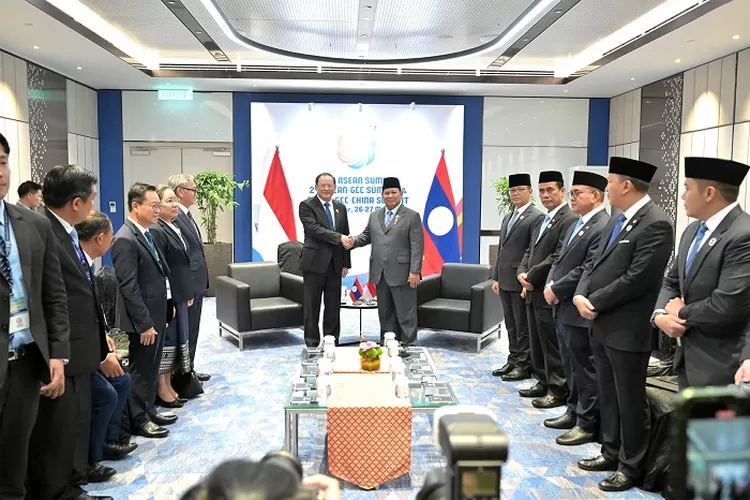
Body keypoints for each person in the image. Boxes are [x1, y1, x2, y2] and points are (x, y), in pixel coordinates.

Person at [573, 157, 674, 492]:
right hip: (601, 324)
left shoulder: (656, 223)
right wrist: (581, 293)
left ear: (626, 185)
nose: (607, 189)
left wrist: (594, 301)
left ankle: (630, 467)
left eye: (611, 182)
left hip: (628, 329)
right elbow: (593, 263)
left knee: (630, 400)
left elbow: (638, 279)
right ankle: (611, 451)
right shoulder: (618, 218)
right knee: (608, 394)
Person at [27, 165, 113, 500]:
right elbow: (47, 299)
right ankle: (59, 491)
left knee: (75, 423)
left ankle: (74, 481)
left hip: (82, 347)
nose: (93, 205)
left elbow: (83, 290)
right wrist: (56, 352)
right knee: (57, 431)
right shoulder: (42, 231)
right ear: (76, 203)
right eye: (91, 198)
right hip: (62, 350)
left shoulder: (68, 231)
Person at [0, 133, 70, 499]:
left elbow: (53, 294)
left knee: (14, 468)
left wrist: (57, 352)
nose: (0, 172)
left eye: (2, 162)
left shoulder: (34, 225)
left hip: (25, 364)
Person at [654, 157, 750, 389]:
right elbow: (671, 281)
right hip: (687, 360)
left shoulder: (742, 234)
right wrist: (660, 314)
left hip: (721, 365)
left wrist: (681, 312)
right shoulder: (692, 231)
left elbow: (726, 305)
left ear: (709, 193)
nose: (683, 196)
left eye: (687, 188)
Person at [543, 171, 609, 446]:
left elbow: (587, 268)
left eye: (577, 193)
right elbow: (559, 259)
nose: (571, 197)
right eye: (570, 192)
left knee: (584, 368)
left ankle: (586, 423)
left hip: (577, 308)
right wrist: (550, 283)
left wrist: (557, 289)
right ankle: (573, 410)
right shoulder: (578, 223)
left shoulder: (602, 225)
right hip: (563, 307)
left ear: (596, 195)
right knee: (570, 365)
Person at [112, 182, 176, 439]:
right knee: (140, 370)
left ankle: (149, 409)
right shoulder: (125, 239)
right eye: (154, 205)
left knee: (151, 367)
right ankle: (139, 419)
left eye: (159, 205)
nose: (158, 210)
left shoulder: (146, 233)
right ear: (135, 206)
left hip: (155, 314)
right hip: (141, 321)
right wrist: (144, 323)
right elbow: (129, 287)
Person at [76, 211, 137, 473]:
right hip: (77, 354)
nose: (112, 241)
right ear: (100, 238)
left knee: (122, 381)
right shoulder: (76, 264)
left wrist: (104, 338)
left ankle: (108, 441)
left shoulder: (88, 263)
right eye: (110, 236)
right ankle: (91, 458)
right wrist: (101, 357)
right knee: (107, 394)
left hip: (93, 343)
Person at [517, 171, 577, 408]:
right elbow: (530, 250)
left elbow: (557, 255)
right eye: (541, 190)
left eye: (550, 190)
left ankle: (557, 389)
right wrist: (522, 272)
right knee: (537, 341)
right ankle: (542, 380)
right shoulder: (543, 219)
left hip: (547, 290)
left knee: (552, 344)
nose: (545, 195)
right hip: (531, 289)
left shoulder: (568, 218)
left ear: (562, 191)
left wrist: (531, 276)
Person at [349, 177, 424, 345]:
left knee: (406, 314)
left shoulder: (411, 216)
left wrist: (415, 271)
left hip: (403, 274)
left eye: (393, 192)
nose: (390, 196)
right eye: (387, 193)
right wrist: (352, 241)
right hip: (380, 273)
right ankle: (388, 344)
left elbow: (417, 246)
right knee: (385, 314)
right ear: (382, 195)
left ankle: (409, 345)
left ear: (401, 194)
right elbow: (366, 236)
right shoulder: (375, 215)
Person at [490, 173, 543, 381]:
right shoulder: (508, 216)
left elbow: (534, 251)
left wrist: (527, 279)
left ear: (530, 191)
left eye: (520, 189)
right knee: (510, 325)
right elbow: (502, 250)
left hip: (520, 279)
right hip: (504, 279)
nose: (516, 194)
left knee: (522, 327)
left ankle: (524, 364)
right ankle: (512, 359)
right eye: (512, 190)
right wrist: (496, 277)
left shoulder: (536, 217)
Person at [150, 185, 194, 407]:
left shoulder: (174, 226)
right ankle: (162, 388)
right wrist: (171, 299)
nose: (174, 204)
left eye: (174, 200)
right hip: (170, 297)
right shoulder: (157, 230)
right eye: (169, 201)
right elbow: (163, 269)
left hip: (180, 294)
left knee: (177, 341)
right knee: (167, 342)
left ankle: (168, 384)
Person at [298, 173, 351, 347]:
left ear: (335, 187)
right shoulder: (307, 206)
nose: (326, 188)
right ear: (316, 187)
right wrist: (339, 237)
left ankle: (331, 341)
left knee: (333, 307)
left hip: (335, 265)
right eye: (323, 185)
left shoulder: (340, 208)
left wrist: (346, 263)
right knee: (312, 307)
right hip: (314, 264)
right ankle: (312, 343)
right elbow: (314, 229)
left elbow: (345, 233)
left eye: (330, 185)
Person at [168, 174, 210, 383]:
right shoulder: (175, 218)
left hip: (197, 283)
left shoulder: (188, 215)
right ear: (180, 191)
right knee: (185, 330)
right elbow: (180, 258)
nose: (196, 194)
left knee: (193, 329)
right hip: (188, 286)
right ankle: (182, 373)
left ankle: (189, 368)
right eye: (193, 190)